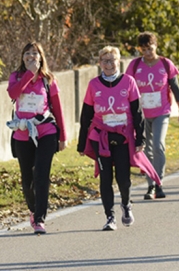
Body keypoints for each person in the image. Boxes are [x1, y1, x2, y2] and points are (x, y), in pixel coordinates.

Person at [78, 46, 161, 231]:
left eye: (112, 60)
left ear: (118, 61)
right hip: (101, 137)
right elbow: (86, 116)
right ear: (100, 63)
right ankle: (109, 217)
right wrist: (82, 142)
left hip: (123, 137)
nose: (109, 64)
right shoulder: (93, 85)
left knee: (123, 178)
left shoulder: (128, 82)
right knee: (105, 178)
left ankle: (126, 204)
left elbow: (137, 113)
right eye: (105, 61)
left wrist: (140, 139)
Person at [7, 42, 67, 234]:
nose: (31, 56)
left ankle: (40, 218)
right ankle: (33, 210)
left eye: (35, 53)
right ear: (22, 57)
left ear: (41, 58)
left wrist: (62, 136)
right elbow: (13, 93)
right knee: (28, 178)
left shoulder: (49, 80)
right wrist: (28, 75)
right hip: (23, 133)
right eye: (28, 53)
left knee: (41, 174)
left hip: (46, 131)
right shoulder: (15, 77)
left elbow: (57, 108)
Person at [125, 32, 179, 200]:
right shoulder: (135, 66)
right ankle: (150, 185)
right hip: (141, 115)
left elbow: (176, 88)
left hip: (161, 113)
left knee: (158, 145)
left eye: (150, 49)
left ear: (156, 46)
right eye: (143, 50)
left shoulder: (166, 64)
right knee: (146, 149)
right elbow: (127, 88)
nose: (147, 53)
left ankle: (159, 182)